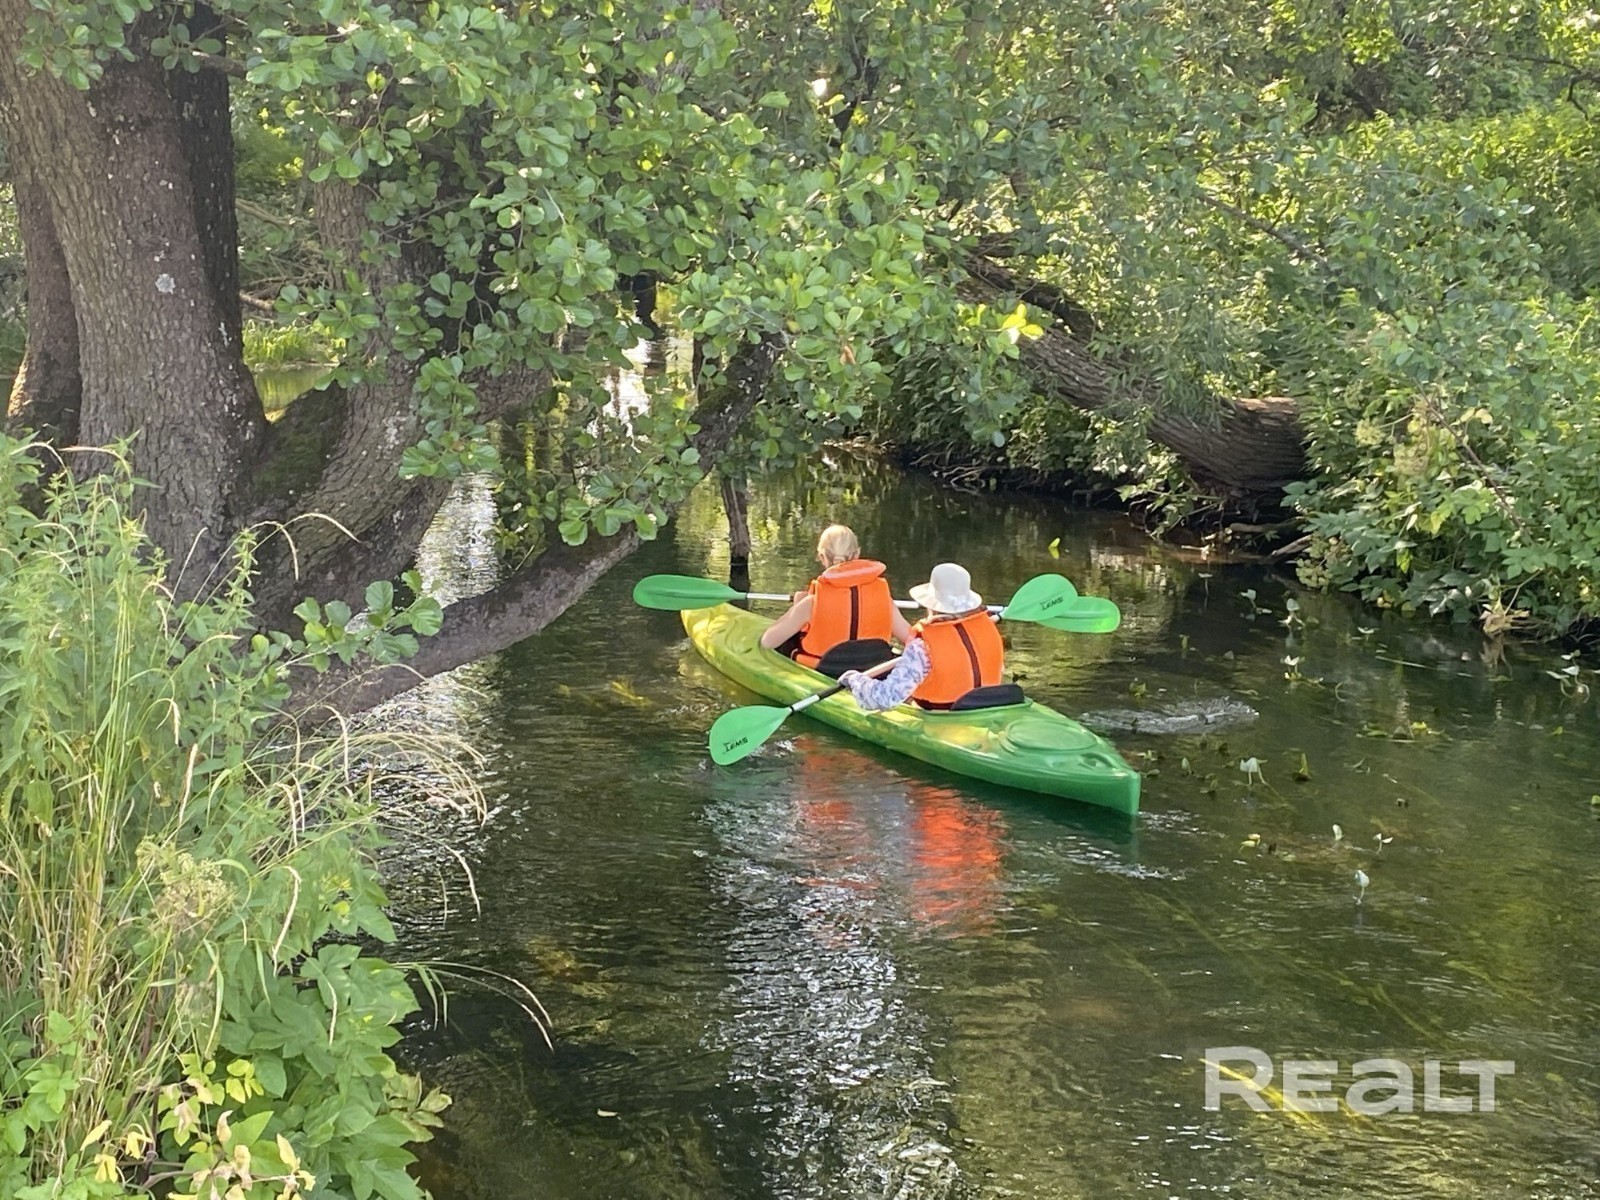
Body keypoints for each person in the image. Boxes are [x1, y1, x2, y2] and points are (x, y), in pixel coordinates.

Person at [839, 562, 1008, 711]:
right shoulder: (989, 628)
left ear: (931, 603)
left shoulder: (922, 646)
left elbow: (885, 698)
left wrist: (856, 680)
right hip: (988, 711)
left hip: (942, 720)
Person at [759, 524, 913, 672]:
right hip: (873, 670)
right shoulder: (884, 599)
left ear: (822, 557)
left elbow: (767, 641)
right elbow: (911, 641)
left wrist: (796, 607)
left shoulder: (812, 603)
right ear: (857, 554)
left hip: (827, 670)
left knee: (788, 642)